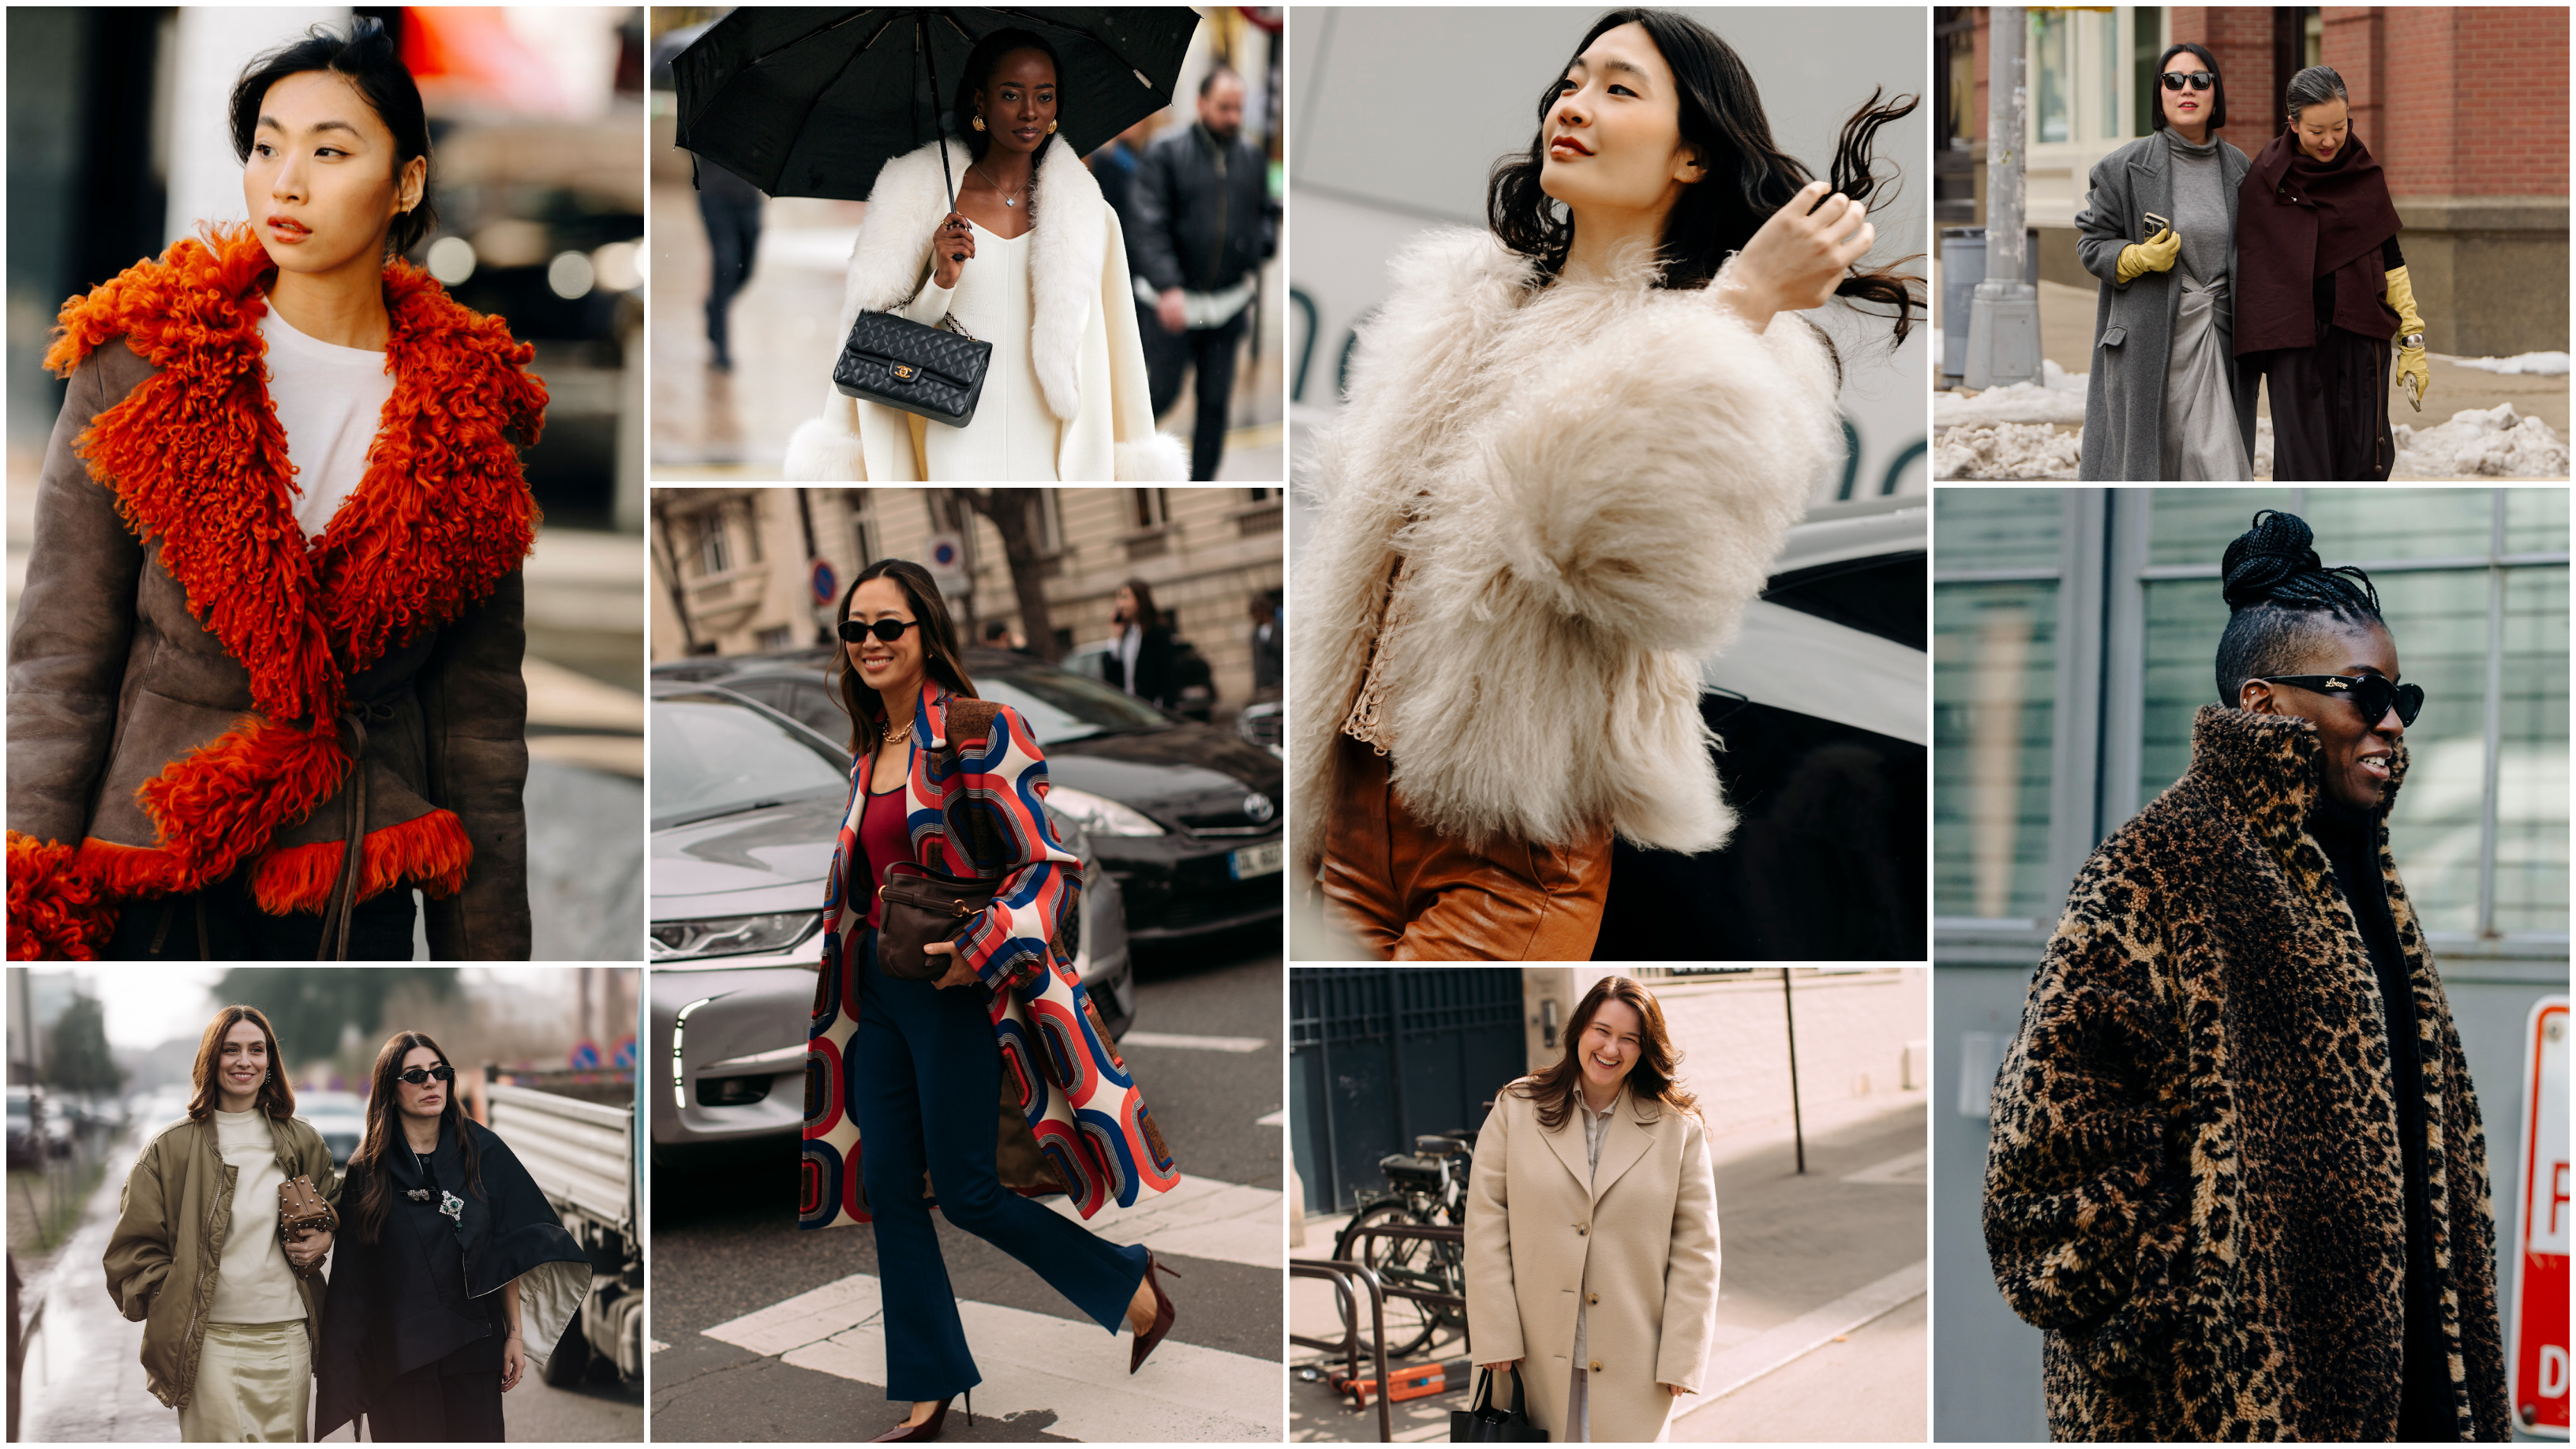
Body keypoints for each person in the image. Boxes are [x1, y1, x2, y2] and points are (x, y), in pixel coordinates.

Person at [1293, 7, 1915, 960]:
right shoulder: (1461, 304)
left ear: (1693, 156)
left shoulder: (1747, 355)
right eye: (1574, 81)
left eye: (1620, 89)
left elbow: (1573, 541)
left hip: (1507, 853)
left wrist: (1739, 305)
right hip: (1345, 814)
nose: (1574, 105)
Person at [7, 19, 541, 961]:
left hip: (353, 882)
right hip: (159, 866)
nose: (285, 182)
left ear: (406, 182)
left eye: (330, 151)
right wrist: (26, 918)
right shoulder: (144, 368)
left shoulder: (471, 419)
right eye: (265, 147)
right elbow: (60, 667)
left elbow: (480, 726)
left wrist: (486, 950)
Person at [1983, 509, 2508, 1440]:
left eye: (2403, 698)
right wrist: (2197, 1334)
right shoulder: (2155, 871)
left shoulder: (2362, 876)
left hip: (2409, 1402)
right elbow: (2043, 1183)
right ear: (2263, 706)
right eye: (2363, 692)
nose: (2391, 721)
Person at [801, 559, 1183, 1443]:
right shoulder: (869, 752)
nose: (868, 643)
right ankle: (929, 1384)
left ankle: (1129, 1283)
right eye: (854, 629)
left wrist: (981, 952)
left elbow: (1050, 866)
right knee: (891, 1190)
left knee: (969, 1191)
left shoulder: (979, 730)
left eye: (886, 627)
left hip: (953, 997)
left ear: (925, 632)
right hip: (879, 1003)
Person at [784, 29, 1185, 483]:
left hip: (1058, 443)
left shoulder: (1091, 217)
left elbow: (1121, 348)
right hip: (955, 431)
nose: (1030, 111)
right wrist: (941, 282)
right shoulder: (921, 203)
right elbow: (878, 340)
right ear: (980, 102)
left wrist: (1131, 449)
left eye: (1045, 96)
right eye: (1011, 94)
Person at [1464, 975, 1719, 1443]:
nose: (1611, 1048)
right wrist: (1494, 1329)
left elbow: (1696, 1250)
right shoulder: (1516, 1107)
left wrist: (1683, 1355)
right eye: (1602, 1030)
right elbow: (1484, 1223)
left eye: (1629, 1038)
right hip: (1530, 1350)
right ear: (1579, 1030)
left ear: (1645, 1049)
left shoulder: (1678, 1129)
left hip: (1636, 1357)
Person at [314, 1030, 590, 1441]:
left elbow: (507, 1249)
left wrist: (515, 1334)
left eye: (438, 1072)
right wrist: (347, 1368)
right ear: (390, 1090)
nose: (430, 1082)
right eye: (414, 1076)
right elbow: (355, 1283)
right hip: (400, 1359)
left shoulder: (484, 1153)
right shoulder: (366, 1173)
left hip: (474, 1349)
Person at [102, 1006, 338, 1441]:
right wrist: (173, 1296)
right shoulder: (169, 1149)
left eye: (256, 1049)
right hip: (206, 1342)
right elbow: (129, 1254)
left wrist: (325, 1234)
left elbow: (338, 1205)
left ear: (270, 1062)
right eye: (231, 1050)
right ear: (212, 1059)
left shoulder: (302, 1140)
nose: (244, 1061)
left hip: (285, 1336)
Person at [2072, 42, 2257, 481]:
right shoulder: (2123, 167)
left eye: (2200, 80)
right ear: (2159, 94)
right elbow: (2091, 244)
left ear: (2216, 93)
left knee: (2219, 465)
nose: (2186, 89)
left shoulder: (2242, 170)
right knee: (2155, 465)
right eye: (2173, 81)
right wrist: (2135, 257)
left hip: (2221, 339)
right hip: (2150, 344)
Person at [2236, 65, 2427, 481]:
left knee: (2364, 463)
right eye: (2316, 130)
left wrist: (2412, 337)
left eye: (2339, 127)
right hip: (2294, 349)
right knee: (2305, 467)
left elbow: (2390, 256)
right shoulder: (2265, 180)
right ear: (2292, 123)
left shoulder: (2363, 172)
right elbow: (2249, 268)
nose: (2330, 141)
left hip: (2361, 342)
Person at [1130, 66, 1279, 480]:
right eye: (1224, 107)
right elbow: (1146, 222)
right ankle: (1118, 459)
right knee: (1160, 393)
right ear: (1201, 105)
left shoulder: (1250, 156)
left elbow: (1266, 211)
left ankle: (1203, 481)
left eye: (1238, 109)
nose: (1233, 117)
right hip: (1172, 306)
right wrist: (1168, 286)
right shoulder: (1165, 151)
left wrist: (1260, 245)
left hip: (1226, 307)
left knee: (1214, 405)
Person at [698, 157, 765, 373]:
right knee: (726, 264)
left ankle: (714, 307)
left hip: (749, 198)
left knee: (746, 271)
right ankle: (720, 346)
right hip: (714, 194)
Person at [1106, 577, 1177, 710]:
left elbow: (1168, 675)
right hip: (1131, 710)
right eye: (1118, 598)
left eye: (1125, 597)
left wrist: (1165, 708)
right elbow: (1112, 676)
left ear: (1140, 600)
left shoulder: (1157, 632)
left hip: (1152, 710)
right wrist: (1116, 637)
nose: (1119, 604)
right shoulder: (1126, 634)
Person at [1248, 592, 1282, 700]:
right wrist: (1258, 686)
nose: (1256, 615)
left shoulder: (1279, 629)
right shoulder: (1255, 635)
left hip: (1281, 682)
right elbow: (1256, 661)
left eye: (1258, 611)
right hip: (1265, 686)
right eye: (1254, 612)